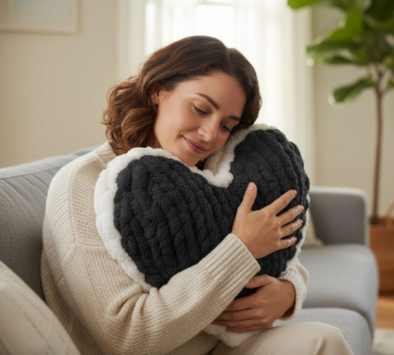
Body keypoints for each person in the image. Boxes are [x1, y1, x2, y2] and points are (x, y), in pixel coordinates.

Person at [41, 35, 354, 355]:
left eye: (226, 126)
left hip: (227, 345)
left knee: (325, 341)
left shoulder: (212, 172)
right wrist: (241, 249)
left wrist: (288, 292)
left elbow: (279, 249)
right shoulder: (81, 184)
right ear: (158, 91)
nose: (209, 135)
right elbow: (126, 336)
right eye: (200, 108)